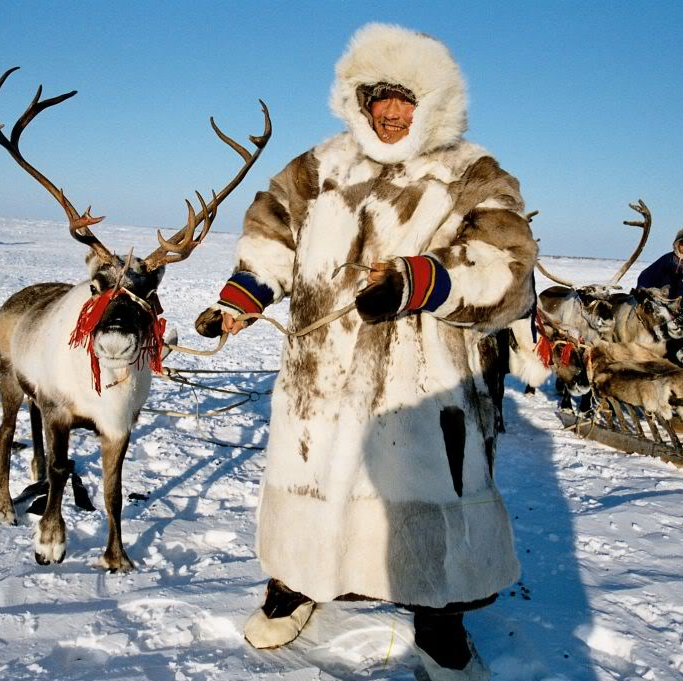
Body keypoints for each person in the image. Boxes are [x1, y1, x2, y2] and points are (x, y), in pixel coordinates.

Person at [193, 23, 537, 680]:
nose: (389, 111)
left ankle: (439, 621)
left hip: (422, 384)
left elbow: (509, 271)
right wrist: (244, 295)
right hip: (318, 379)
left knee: (423, 504)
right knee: (312, 484)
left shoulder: (473, 173)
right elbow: (271, 232)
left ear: (432, 103)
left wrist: (419, 281)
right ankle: (294, 584)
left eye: (404, 98)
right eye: (376, 96)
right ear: (356, 98)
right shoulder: (319, 167)